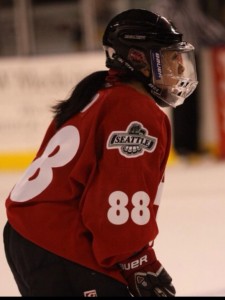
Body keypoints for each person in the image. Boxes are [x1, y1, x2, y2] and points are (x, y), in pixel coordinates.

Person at [3, 9, 198, 297]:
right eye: (171, 57)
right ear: (138, 58)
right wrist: (137, 262)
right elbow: (115, 200)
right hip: (60, 243)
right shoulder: (134, 110)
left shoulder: (98, 94)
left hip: (29, 235)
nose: (181, 69)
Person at [150, 0, 225, 157]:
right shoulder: (168, 5)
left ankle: (190, 144)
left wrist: (218, 34)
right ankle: (183, 145)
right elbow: (161, 17)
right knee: (179, 95)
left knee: (191, 95)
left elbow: (198, 21)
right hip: (174, 51)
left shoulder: (189, 4)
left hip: (189, 50)